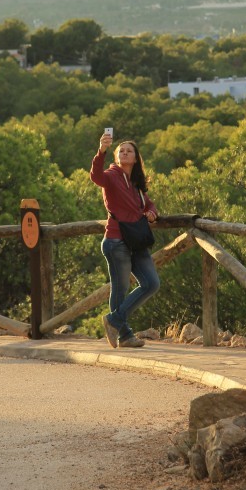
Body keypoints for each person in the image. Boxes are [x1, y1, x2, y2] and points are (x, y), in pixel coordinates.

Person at [90, 132, 160, 348]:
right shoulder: (111, 176)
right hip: (116, 241)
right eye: (121, 150)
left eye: (129, 150)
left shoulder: (136, 184)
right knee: (119, 290)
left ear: (136, 158)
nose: (125, 152)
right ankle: (125, 335)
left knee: (151, 283)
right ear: (117, 156)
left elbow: (149, 205)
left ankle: (115, 321)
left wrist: (152, 213)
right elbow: (95, 177)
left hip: (137, 241)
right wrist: (101, 151)